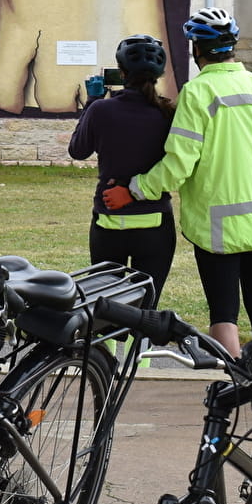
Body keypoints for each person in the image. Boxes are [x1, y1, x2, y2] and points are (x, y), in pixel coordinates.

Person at [103, 7, 252, 369]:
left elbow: (179, 163)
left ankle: (237, 381)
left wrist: (137, 188)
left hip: (218, 225)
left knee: (224, 308)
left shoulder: (198, 93)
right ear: (233, 45)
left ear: (196, 50)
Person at [69, 35, 177, 304]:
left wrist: (92, 101)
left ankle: (105, 348)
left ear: (122, 72)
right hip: (155, 224)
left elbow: (77, 150)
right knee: (145, 307)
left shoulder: (102, 110)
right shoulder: (169, 113)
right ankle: (141, 347)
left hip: (109, 223)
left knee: (105, 307)